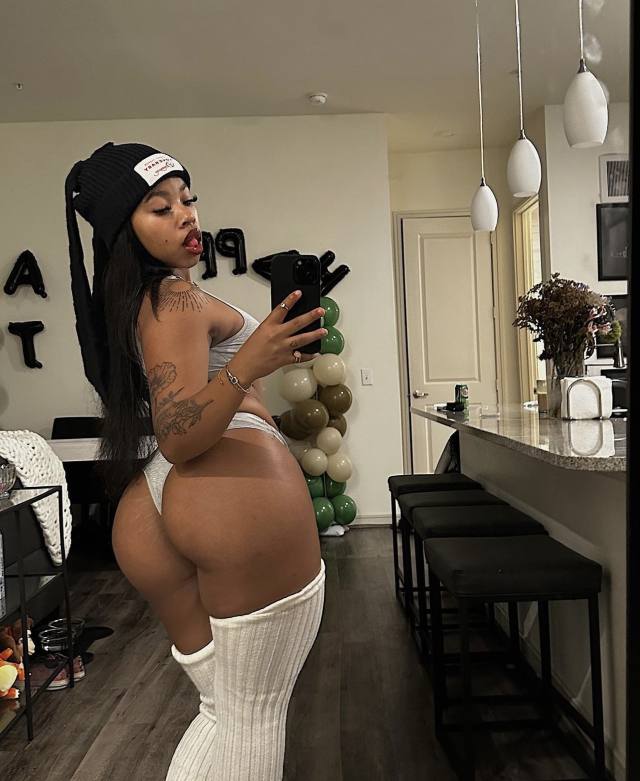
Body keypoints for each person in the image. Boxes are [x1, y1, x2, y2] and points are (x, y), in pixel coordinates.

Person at [64, 142, 327, 780]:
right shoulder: (173, 300)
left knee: (225, 713)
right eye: (160, 208)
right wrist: (248, 363)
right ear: (123, 231)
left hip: (159, 503)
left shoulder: (150, 301)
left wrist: (259, 359)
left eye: (188, 199)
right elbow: (179, 433)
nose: (185, 215)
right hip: (225, 495)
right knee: (252, 716)